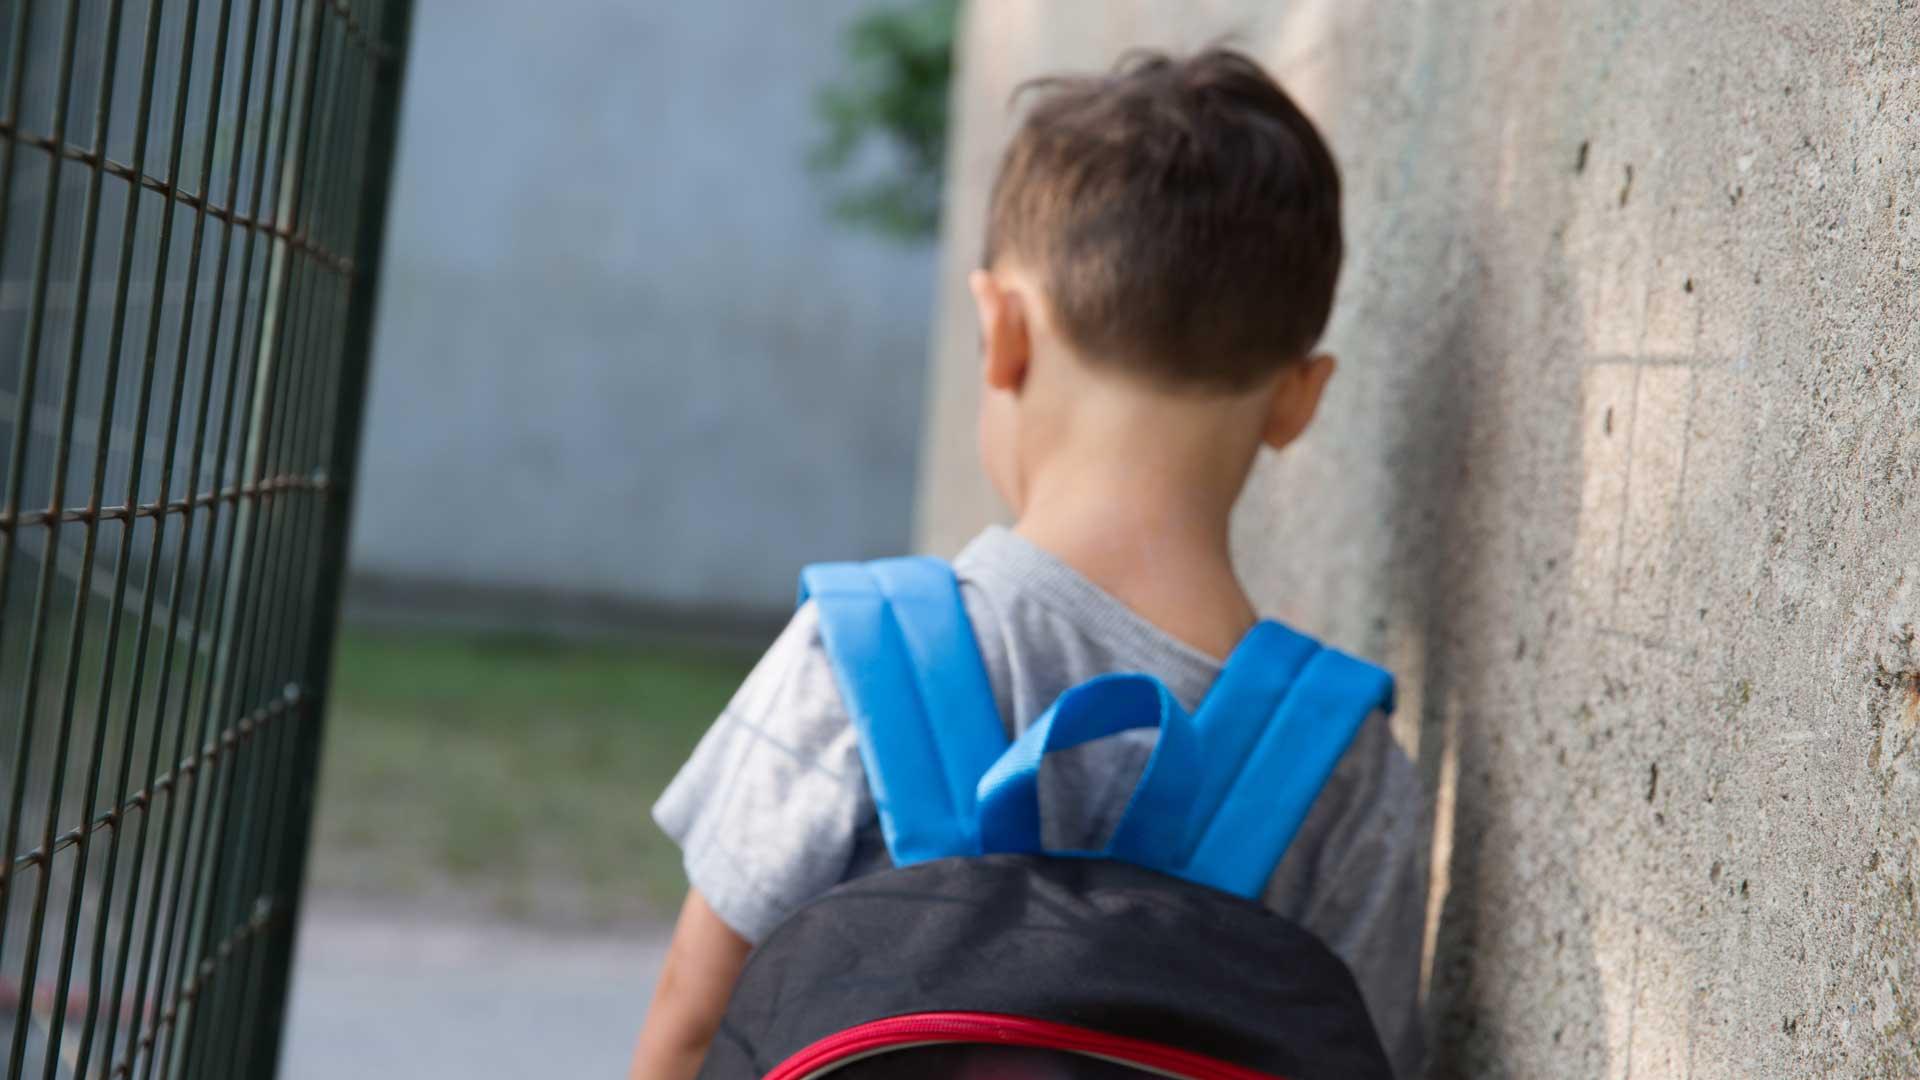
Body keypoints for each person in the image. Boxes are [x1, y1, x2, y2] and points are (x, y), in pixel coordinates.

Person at [631, 47, 1428, 1080]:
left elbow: (692, 1021)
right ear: (1298, 398)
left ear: (999, 329)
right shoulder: (1350, 779)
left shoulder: (857, 661)